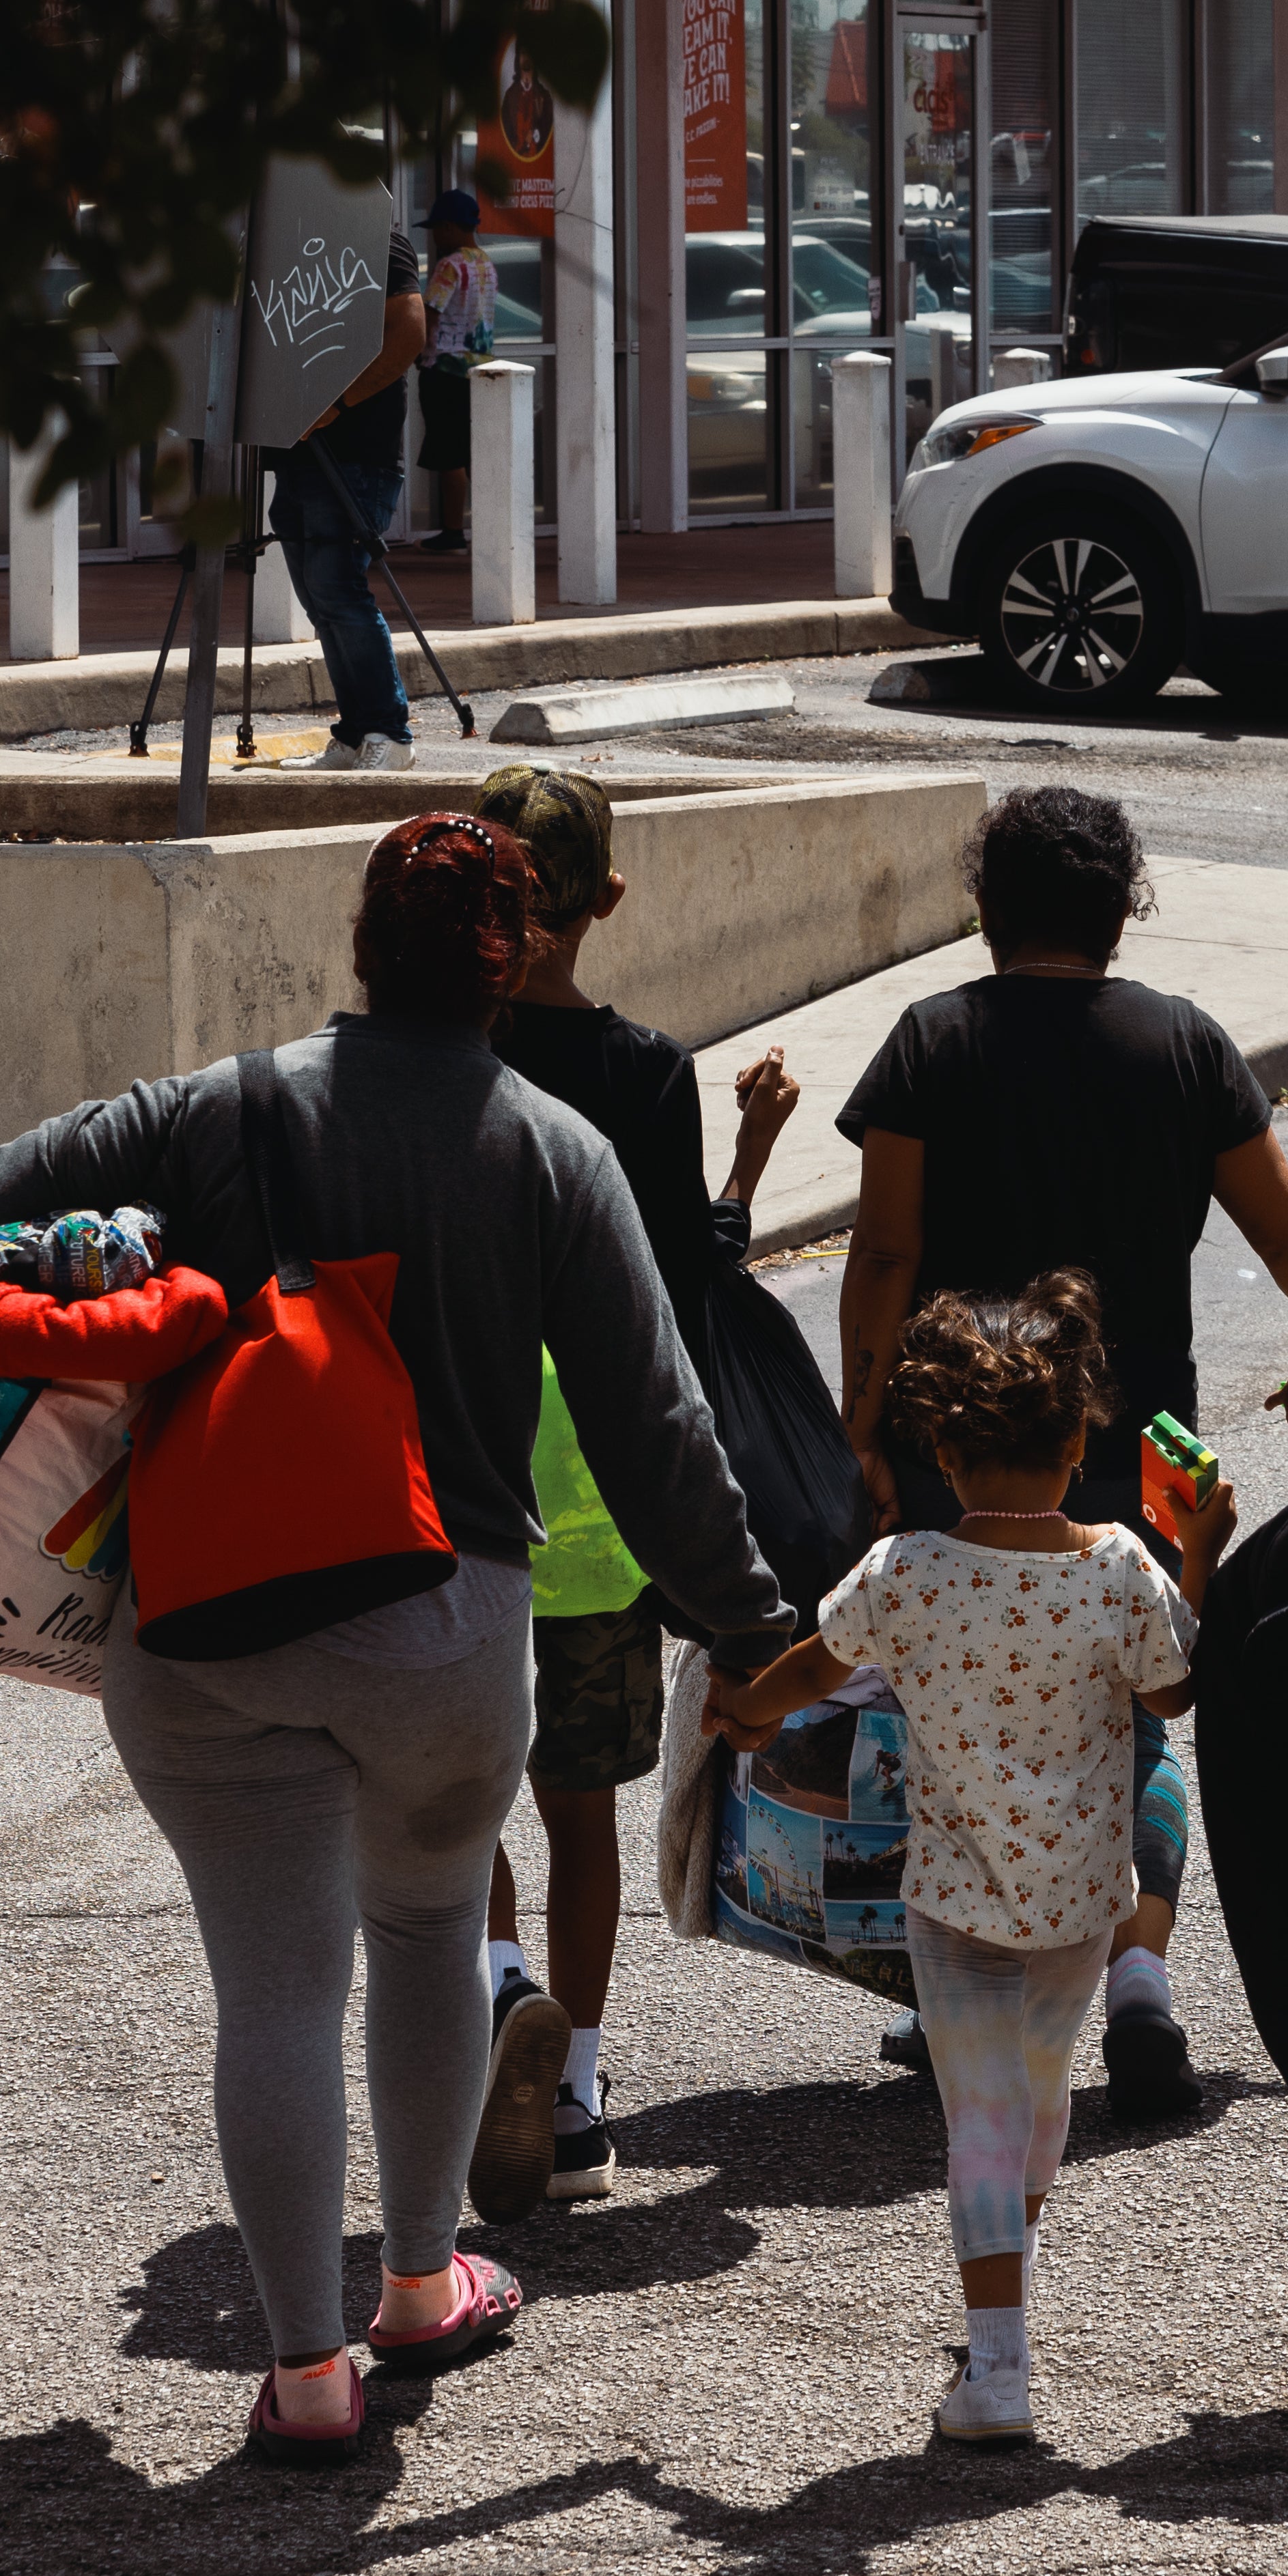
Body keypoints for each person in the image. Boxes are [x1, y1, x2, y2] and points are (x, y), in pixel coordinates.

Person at [0, 816, 788, 2460]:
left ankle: (303, 2375)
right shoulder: (551, 1148)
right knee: (423, 1934)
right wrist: (756, 1633)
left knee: (272, 1988)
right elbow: (654, 1434)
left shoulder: (220, 1107)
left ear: (358, 943)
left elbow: (10, 1188)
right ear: (515, 958)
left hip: (202, 1619)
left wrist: (147, 1271)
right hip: (442, 1631)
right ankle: (419, 2290)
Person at [834, 785, 1288, 2117]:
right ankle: (1136, 1978)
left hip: (954, 1441)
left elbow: (886, 1250)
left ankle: (972, 1976)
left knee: (962, 1704)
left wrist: (858, 1415)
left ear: (985, 906)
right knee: (1131, 1709)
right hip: (1133, 1445)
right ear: (1118, 908)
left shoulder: (930, 1041)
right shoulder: (1183, 1046)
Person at [703, 1272, 1234, 2449]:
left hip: (951, 1903)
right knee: (1033, 2107)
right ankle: (1005, 2293)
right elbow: (1174, 1687)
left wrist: (740, 1716)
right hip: (1083, 1904)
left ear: (942, 1449)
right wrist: (1201, 1549)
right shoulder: (1119, 1568)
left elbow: (805, 1669)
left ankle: (997, 2363)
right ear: (1079, 1435)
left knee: (978, 2119)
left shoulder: (907, 1570)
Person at [464, 762, 802, 2216]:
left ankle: (493, 1990)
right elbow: (667, 1291)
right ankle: (585, 2090)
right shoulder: (645, 1073)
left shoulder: (437, 1056)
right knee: (577, 1809)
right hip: (594, 1507)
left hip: (452, 1488)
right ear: (606, 896)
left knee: (452, 1801)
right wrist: (743, 1167)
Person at [269, 221, 430, 773]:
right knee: (320, 600)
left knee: (338, 589)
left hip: (356, 453)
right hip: (296, 451)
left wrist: (337, 405)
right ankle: (356, 731)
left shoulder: (375, 240)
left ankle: (390, 732)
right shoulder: (282, 245)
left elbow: (408, 333)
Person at [412, 188, 493, 553]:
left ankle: (452, 530)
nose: (435, 236)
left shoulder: (449, 266)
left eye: (437, 229)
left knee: (449, 454)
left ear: (449, 226)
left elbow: (429, 314)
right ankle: (493, 525)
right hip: (480, 369)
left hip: (444, 368)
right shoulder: (486, 264)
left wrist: (412, 352)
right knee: (475, 451)